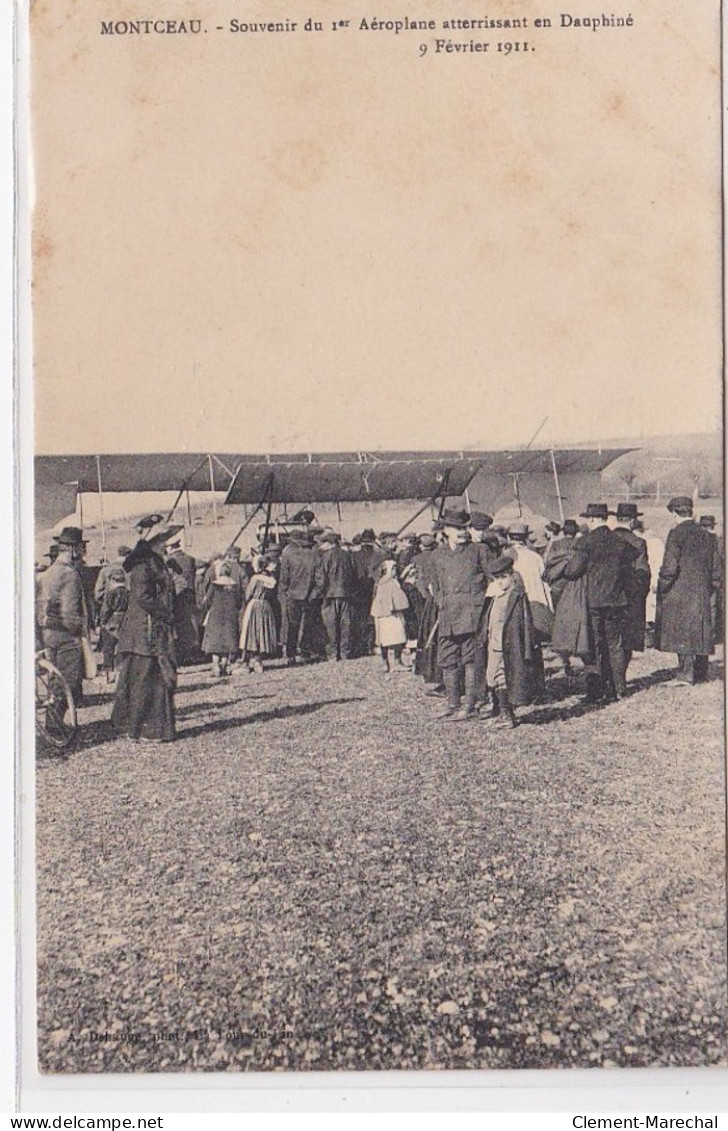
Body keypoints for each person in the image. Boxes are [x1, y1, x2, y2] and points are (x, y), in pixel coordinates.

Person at [111, 528, 177, 743]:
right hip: (143, 631)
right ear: (151, 543)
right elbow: (142, 597)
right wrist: (166, 612)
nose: (165, 544)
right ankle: (139, 730)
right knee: (144, 680)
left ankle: (151, 729)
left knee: (153, 679)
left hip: (151, 630)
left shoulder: (155, 563)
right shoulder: (143, 566)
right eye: (161, 540)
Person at [563, 502, 632, 703]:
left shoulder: (586, 542)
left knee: (593, 645)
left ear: (592, 519)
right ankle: (619, 688)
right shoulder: (620, 542)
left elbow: (572, 571)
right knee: (615, 644)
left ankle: (596, 689)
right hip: (617, 600)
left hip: (592, 601)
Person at [429, 508, 493, 721]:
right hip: (448, 614)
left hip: (472, 615)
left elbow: (493, 580)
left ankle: (472, 704)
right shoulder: (437, 554)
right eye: (457, 528)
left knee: (471, 661)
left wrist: (481, 605)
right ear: (446, 529)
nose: (462, 532)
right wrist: (442, 602)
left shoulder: (479, 550)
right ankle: (452, 703)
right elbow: (435, 585)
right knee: (448, 660)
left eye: (465, 528)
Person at [655, 496, 722, 684]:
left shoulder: (676, 534)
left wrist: (662, 586)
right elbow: (717, 569)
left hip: (679, 591)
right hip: (702, 592)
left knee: (682, 632)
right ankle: (701, 672)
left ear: (675, 513)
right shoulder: (709, 536)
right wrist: (710, 588)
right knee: (700, 630)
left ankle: (685, 674)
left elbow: (670, 566)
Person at [481, 555, 537, 728]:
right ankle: (501, 711)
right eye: (496, 578)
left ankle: (507, 715)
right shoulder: (499, 595)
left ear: (512, 575)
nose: (500, 582)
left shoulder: (516, 597)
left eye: (503, 578)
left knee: (502, 677)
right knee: (492, 678)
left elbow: (523, 624)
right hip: (494, 643)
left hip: (507, 644)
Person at [39, 526, 89, 706]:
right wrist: (79, 634)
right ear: (73, 548)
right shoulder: (70, 574)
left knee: (55, 681)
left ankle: (53, 728)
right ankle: (55, 730)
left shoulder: (50, 572)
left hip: (50, 635)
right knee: (67, 684)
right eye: (81, 547)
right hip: (66, 637)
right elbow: (70, 612)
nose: (83, 551)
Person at [609, 503, 651, 672]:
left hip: (605, 596)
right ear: (633, 520)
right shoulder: (638, 542)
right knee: (626, 641)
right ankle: (621, 676)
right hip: (629, 598)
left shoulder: (605, 538)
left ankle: (609, 679)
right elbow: (643, 573)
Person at [278, 529, 323, 664]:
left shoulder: (287, 555)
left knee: (292, 625)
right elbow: (320, 579)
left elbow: (284, 578)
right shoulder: (314, 555)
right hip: (310, 596)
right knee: (308, 624)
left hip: (293, 595)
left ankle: (291, 655)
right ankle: (305, 652)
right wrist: (314, 593)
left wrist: (286, 591)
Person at [318, 531, 356, 661]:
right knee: (346, 624)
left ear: (330, 543)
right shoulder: (347, 555)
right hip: (346, 593)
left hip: (329, 594)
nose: (321, 546)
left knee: (330, 624)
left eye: (323, 543)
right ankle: (345, 652)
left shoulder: (325, 557)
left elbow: (322, 578)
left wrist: (320, 592)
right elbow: (353, 573)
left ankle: (333, 653)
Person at [164, 534, 202, 665]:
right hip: (190, 596)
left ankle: (182, 656)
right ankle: (192, 653)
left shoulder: (169, 561)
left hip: (176, 597)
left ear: (170, 547)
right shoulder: (190, 559)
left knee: (179, 627)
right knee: (191, 624)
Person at [201, 561, 244, 677]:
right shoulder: (234, 586)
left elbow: (207, 601)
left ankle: (215, 665)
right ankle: (224, 665)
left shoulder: (214, 585)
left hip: (216, 615)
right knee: (227, 641)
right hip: (230, 616)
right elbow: (239, 601)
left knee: (215, 641)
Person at [239, 555, 279, 673]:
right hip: (265, 606)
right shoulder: (272, 579)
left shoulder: (255, 578)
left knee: (250, 633)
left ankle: (246, 661)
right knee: (262, 632)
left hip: (254, 605)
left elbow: (248, 595)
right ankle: (258, 661)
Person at [370, 559, 410, 673]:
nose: (394, 571)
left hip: (395, 613)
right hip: (385, 614)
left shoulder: (393, 581)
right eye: (392, 569)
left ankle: (397, 661)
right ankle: (385, 662)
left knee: (399, 638)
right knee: (384, 640)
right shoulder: (384, 583)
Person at [98, 564, 129, 682]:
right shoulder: (128, 593)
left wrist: (102, 621)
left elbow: (106, 609)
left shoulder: (110, 594)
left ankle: (108, 674)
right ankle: (121, 673)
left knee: (108, 650)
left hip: (111, 622)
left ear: (112, 580)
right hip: (125, 622)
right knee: (123, 649)